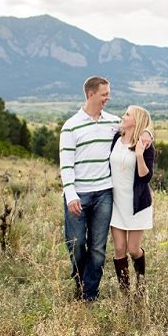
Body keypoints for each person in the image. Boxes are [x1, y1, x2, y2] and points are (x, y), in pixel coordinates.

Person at [59, 76, 120, 302]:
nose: (108, 98)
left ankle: (89, 295)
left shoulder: (112, 122)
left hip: (104, 193)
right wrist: (71, 194)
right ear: (91, 94)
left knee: (98, 248)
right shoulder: (71, 126)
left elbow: (136, 129)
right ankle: (81, 284)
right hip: (78, 195)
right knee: (76, 245)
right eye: (104, 94)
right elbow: (66, 164)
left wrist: (148, 135)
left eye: (108, 93)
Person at [109, 105, 156, 297]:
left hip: (137, 204)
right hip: (116, 203)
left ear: (135, 121)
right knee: (119, 248)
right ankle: (126, 295)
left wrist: (139, 154)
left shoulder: (145, 146)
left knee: (133, 249)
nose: (123, 116)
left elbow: (145, 178)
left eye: (127, 114)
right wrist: (148, 131)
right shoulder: (115, 137)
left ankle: (141, 284)